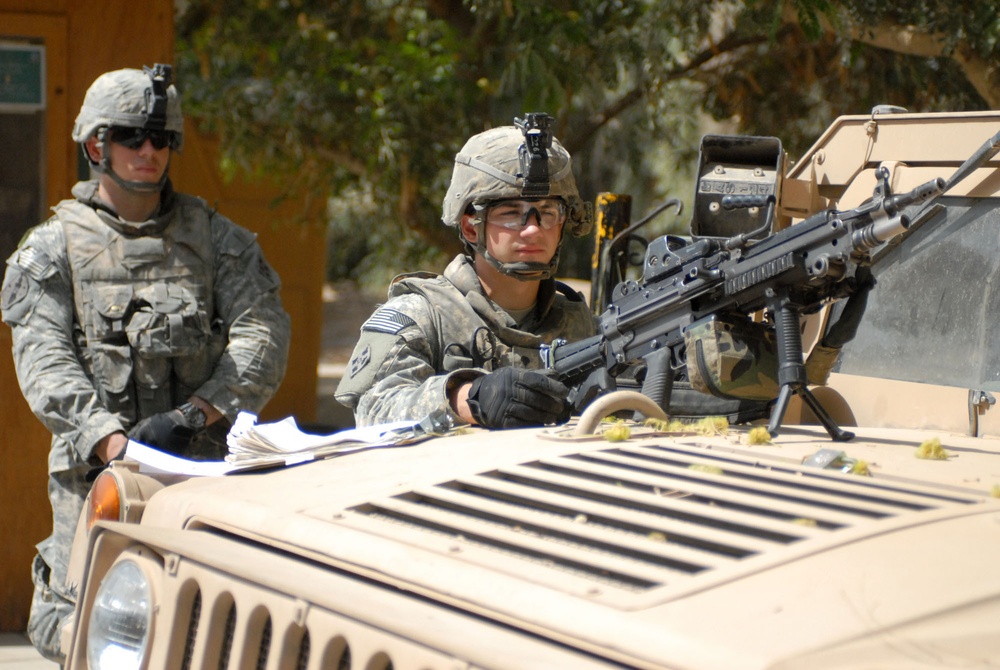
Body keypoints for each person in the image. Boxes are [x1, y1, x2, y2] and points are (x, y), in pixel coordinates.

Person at [0, 64, 290, 663]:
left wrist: (197, 413)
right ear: (95, 145)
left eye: (163, 139)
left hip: (204, 478)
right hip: (98, 491)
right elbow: (45, 359)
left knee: (208, 635)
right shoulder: (51, 249)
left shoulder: (217, 240)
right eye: (133, 137)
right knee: (91, 640)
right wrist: (112, 443)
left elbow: (263, 331)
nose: (151, 151)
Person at [336, 113, 596, 430]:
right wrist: (467, 399)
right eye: (512, 214)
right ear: (471, 228)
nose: (532, 230)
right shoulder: (420, 314)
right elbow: (372, 409)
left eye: (547, 212)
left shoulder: (579, 322)